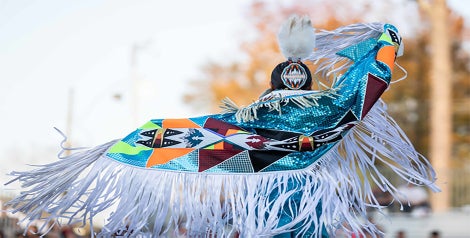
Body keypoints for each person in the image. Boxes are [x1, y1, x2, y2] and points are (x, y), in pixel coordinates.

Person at [6, 15, 439, 237]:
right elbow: (368, 86)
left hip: (269, 206)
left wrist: (124, 145)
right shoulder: (329, 110)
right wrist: (385, 42)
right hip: (308, 205)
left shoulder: (244, 124)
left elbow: (190, 134)